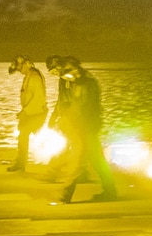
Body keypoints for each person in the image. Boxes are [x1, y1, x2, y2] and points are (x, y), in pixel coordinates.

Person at [54, 59, 118, 204]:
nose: (67, 79)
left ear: (74, 70)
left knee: (78, 161)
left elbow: (83, 108)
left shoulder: (86, 85)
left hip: (85, 128)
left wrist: (72, 123)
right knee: (97, 161)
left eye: (67, 75)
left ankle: (65, 195)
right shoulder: (81, 82)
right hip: (87, 127)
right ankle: (110, 192)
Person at [8, 55, 48, 172]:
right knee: (23, 136)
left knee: (23, 135)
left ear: (26, 64)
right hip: (32, 112)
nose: (20, 71)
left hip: (36, 113)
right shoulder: (29, 76)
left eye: (20, 68)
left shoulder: (34, 77)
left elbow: (37, 98)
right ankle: (20, 163)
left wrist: (25, 112)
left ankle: (21, 164)